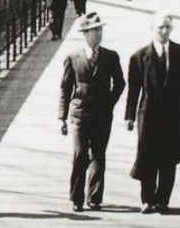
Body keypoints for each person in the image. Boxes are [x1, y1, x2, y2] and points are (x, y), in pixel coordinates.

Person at [125, 13, 180, 214]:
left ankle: (162, 200)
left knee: (169, 158)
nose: (163, 31)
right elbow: (134, 89)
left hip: (174, 115)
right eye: (160, 27)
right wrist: (130, 117)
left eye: (167, 27)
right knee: (147, 156)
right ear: (152, 29)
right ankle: (147, 200)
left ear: (172, 29)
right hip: (149, 113)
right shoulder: (139, 56)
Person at [59, 12, 126, 212]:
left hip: (102, 114)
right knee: (80, 155)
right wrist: (61, 117)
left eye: (100, 29)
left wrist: (110, 102)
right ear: (85, 33)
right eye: (95, 30)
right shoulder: (73, 57)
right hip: (80, 113)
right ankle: (76, 197)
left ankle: (94, 197)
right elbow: (65, 87)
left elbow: (120, 82)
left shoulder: (110, 56)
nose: (99, 33)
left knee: (98, 154)